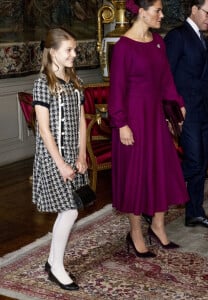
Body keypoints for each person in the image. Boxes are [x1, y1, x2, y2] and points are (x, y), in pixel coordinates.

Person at [108, 0, 189, 257]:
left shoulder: (158, 42)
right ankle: (135, 234)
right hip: (132, 121)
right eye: (157, 10)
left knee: (162, 170)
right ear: (142, 13)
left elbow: (166, 79)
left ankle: (158, 226)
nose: (162, 15)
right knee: (136, 176)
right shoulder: (123, 47)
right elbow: (116, 91)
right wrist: (121, 124)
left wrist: (178, 104)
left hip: (154, 119)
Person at [32, 27, 88, 290]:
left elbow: (81, 122)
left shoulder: (75, 81)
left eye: (74, 49)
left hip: (72, 155)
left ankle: (53, 260)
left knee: (71, 208)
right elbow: (44, 129)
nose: (74, 54)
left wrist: (81, 154)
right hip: (53, 156)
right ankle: (56, 266)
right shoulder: (43, 83)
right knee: (70, 209)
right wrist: (61, 164)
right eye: (69, 50)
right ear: (53, 52)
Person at [164, 0, 208, 228]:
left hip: (202, 109)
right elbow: (165, 77)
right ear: (194, 9)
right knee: (193, 161)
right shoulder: (177, 36)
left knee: (202, 163)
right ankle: (155, 190)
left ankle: (195, 212)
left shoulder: (203, 37)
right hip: (184, 111)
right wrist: (169, 113)